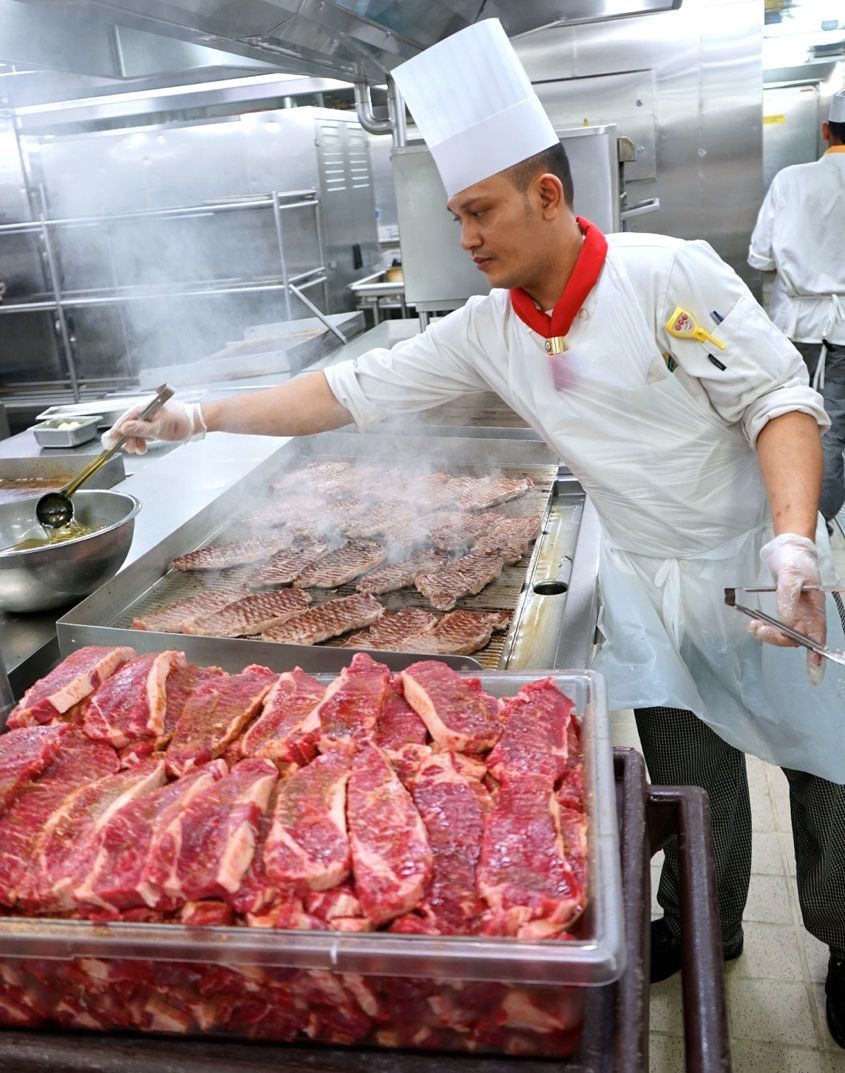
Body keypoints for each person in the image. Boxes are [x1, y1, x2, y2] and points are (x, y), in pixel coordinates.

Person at [104, 20, 845, 1045]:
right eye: (455, 214)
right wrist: (200, 415)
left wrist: (791, 539)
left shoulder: (667, 275)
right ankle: (700, 922)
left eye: (478, 210)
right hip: (642, 574)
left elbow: (778, 401)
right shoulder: (488, 330)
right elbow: (340, 391)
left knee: (828, 767)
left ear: (548, 195)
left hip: (756, 553)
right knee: (691, 769)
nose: (464, 236)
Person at [748, 89, 845, 530]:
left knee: (798, 420)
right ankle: (822, 519)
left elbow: (760, 257)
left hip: (799, 326)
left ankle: (805, 524)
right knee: (836, 424)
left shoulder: (791, 179)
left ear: (825, 131)